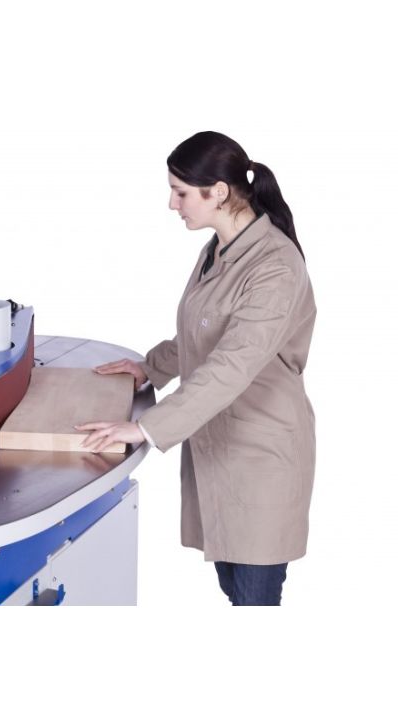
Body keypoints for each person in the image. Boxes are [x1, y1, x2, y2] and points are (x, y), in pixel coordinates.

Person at [76, 131, 316, 606]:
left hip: (260, 455)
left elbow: (232, 364)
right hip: (219, 444)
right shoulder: (218, 249)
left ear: (219, 192)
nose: (172, 204)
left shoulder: (275, 266)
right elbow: (202, 332)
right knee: (233, 590)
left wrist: (145, 427)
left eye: (181, 192)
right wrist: (150, 368)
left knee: (254, 602)